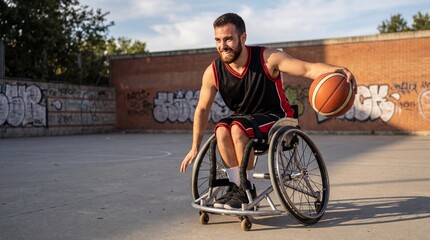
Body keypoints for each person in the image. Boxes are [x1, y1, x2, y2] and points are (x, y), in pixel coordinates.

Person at [180, 13, 356, 209]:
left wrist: (337, 70)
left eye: (228, 39)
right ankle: (236, 187)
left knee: (238, 129)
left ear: (243, 38)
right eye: (218, 40)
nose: (223, 46)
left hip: (279, 118)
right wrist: (195, 146)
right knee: (221, 129)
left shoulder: (268, 58)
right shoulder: (213, 71)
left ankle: (246, 189)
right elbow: (202, 108)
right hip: (246, 119)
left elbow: (307, 69)